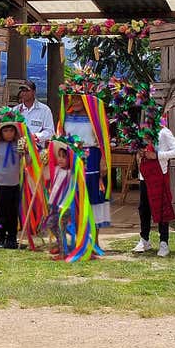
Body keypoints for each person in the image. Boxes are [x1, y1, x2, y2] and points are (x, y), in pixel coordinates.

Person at [62, 90, 110, 242]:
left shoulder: (95, 119)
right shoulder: (66, 117)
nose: (75, 102)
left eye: (79, 99)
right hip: (71, 159)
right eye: (73, 99)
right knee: (73, 197)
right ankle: (77, 238)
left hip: (92, 159)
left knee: (93, 198)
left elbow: (103, 140)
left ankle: (94, 240)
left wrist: (103, 160)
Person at [133, 121, 175, 257]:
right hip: (145, 175)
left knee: (162, 208)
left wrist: (157, 155)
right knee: (144, 209)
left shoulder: (164, 132)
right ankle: (144, 239)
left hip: (159, 175)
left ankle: (164, 242)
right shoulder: (143, 130)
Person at [0, 110, 27, 250]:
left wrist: (26, 152)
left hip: (15, 183)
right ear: (1, 133)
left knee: (13, 212)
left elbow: (27, 161)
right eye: (6, 131)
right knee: (1, 214)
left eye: (12, 131)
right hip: (1, 184)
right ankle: (0, 238)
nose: (9, 134)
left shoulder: (20, 145)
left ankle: (12, 238)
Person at [42, 142, 72, 257]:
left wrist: (64, 205)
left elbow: (70, 191)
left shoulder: (71, 173)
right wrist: (44, 163)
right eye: (59, 156)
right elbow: (46, 176)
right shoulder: (57, 169)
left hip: (65, 206)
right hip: (54, 204)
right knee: (51, 224)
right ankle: (63, 246)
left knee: (61, 228)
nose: (61, 159)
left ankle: (64, 251)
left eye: (64, 157)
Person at [13, 80, 54, 148]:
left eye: (27, 90)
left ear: (34, 92)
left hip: (37, 150)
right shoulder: (15, 110)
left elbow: (50, 132)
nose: (24, 93)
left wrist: (36, 136)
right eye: (23, 91)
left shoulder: (45, 110)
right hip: (17, 149)